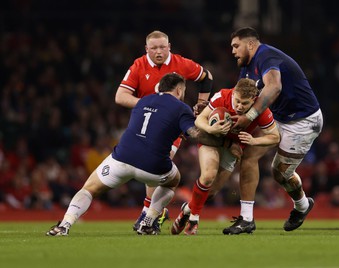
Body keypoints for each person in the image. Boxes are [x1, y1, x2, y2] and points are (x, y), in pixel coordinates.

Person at [46, 73, 221, 236]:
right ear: (179, 90)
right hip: (152, 166)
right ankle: (147, 221)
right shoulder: (181, 108)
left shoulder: (143, 101)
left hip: (122, 157)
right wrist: (219, 135)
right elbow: (195, 134)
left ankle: (64, 225)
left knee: (89, 188)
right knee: (173, 181)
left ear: (159, 87)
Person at [115, 30, 213, 231]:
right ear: (146, 49)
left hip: (172, 126)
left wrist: (202, 105)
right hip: (146, 125)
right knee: (154, 166)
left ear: (169, 46)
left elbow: (207, 77)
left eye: (162, 47)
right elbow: (120, 96)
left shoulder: (181, 63)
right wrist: (149, 104)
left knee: (158, 162)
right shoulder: (138, 65)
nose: (159, 51)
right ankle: (156, 213)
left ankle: (147, 215)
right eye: (154, 48)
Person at [229, 27, 323, 232]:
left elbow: (274, 87)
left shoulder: (266, 56)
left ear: (251, 44)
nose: (233, 51)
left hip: (303, 120)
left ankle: (302, 205)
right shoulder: (245, 66)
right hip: (278, 117)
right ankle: (246, 219)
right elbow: (238, 99)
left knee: (279, 173)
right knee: (249, 155)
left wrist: (250, 116)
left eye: (237, 46)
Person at [171, 78, 280, 235]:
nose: (240, 106)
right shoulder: (222, 96)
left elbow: (275, 136)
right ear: (233, 93)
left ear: (253, 101)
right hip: (212, 140)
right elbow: (200, 119)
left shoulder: (260, 110)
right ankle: (194, 220)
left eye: (245, 103)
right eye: (237, 101)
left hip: (232, 150)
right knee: (208, 176)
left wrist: (254, 140)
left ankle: (187, 210)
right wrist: (211, 128)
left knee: (211, 193)